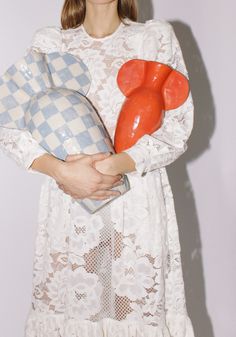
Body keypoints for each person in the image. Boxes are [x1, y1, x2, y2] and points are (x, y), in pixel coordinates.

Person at [0, 0, 195, 336]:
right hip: (71, 206)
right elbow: (12, 125)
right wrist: (61, 172)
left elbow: (177, 127)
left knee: (130, 311)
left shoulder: (154, 38)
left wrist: (112, 166)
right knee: (76, 309)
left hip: (135, 203)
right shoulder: (51, 43)